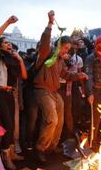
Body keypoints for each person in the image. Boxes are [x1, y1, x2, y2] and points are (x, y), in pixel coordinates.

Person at [33, 10, 88, 162]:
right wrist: (50, 23)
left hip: (54, 91)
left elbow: (66, 75)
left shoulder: (60, 60)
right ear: (59, 46)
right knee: (52, 119)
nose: (66, 51)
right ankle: (40, 148)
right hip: (42, 90)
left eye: (68, 49)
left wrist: (79, 76)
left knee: (60, 120)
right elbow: (45, 41)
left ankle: (51, 147)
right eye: (64, 48)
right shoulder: (47, 53)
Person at [0, 15, 27, 170]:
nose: (9, 45)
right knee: (8, 125)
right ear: (0, 46)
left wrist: (20, 60)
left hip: (10, 94)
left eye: (10, 43)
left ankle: (10, 153)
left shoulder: (13, 60)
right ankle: (5, 157)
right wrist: (8, 22)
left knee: (12, 126)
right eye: (5, 42)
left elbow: (24, 76)